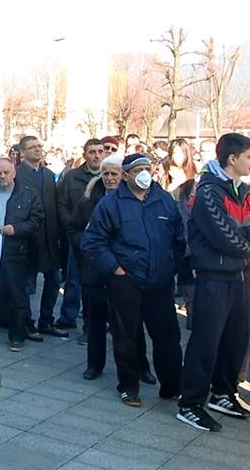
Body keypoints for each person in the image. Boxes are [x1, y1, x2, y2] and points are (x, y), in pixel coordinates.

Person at [82, 153, 184, 407]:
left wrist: (174, 266)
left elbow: (179, 237)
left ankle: (172, 386)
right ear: (126, 174)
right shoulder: (111, 204)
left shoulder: (165, 201)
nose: (144, 173)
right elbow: (92, 241)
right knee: (125, 336)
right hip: (126, 281)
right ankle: (128, 386)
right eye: (138, 169)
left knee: (168, 337)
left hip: (160, 282)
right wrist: (115, 268)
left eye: (148, 168)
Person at [178, 133, 250, 430]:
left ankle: (223, 391)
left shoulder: (242, 190)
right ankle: (190, 402)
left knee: (235, 339)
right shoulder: (208, 190)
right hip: (213, 278)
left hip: (240, 277)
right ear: (232, 159)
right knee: (206, 340)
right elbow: (225, 237)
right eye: (247, 157)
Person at [67, 155, 153, 381]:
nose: (109, 178)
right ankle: (94, 365)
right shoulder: (88, 201)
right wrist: (86, 245)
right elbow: (73, 230)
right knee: (94, 320)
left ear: (123, 175)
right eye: (105, 173)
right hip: (95, 271)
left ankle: (140, 366)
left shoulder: (136, 199)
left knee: (131, 324)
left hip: (126, 272)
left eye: (114, 173)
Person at [0, 158, 43, 348]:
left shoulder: (28, 195)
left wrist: (17, 229)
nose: (2, 176)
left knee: (17, 295)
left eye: (6, 172)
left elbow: (37, 220)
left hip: (15, 251)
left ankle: (17, 335)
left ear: (14, 172)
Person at [15, 136, 67, 340]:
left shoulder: (48, 175)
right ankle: (27, 324)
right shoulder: (17, 175)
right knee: (27, 285)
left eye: (39, 146)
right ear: (22, 152)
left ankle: (47, 320)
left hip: (50, 237)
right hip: (28, 239)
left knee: (54, 280)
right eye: (32, 147)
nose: (38, 150)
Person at [55, 139, 105, 333]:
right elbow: (62, 204)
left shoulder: (108, 176)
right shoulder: (72, 177)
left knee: (96, 282)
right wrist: (72, 226)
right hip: (78, 236)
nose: (96, 155)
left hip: (101, 239)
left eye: (100, 151)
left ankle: (93, 321)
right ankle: (68, 315)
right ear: (84, 155)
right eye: (92, 152)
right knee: (74, 278)